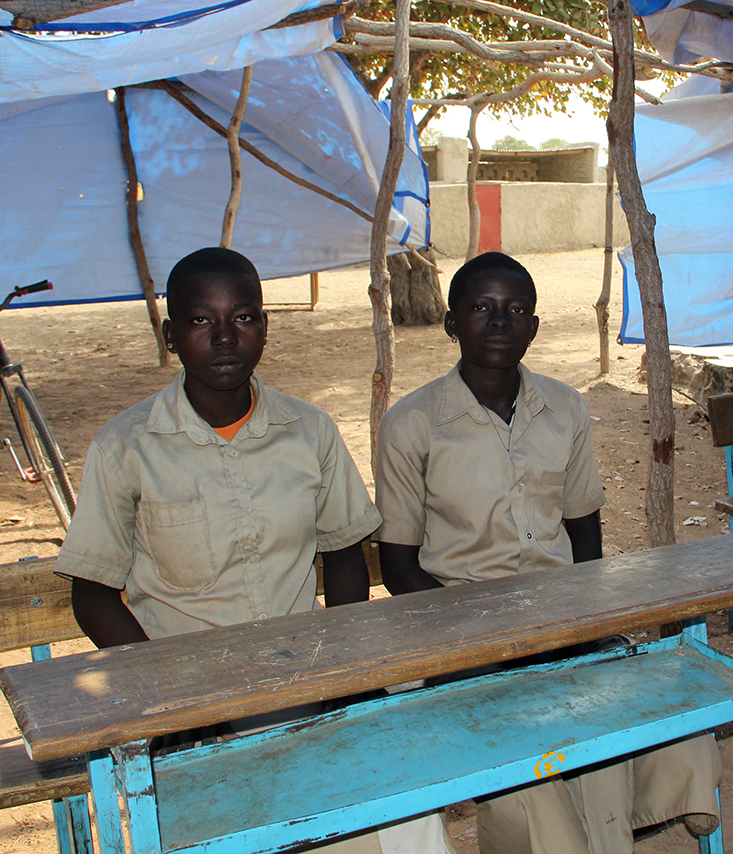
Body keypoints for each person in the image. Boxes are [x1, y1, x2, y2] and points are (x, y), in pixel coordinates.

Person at [54, 246, 456, 854]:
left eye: (242, 318)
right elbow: (93, 592)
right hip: (192, 697)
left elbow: (344, 552)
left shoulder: (309, 432)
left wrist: (340, 669)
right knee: (235, 817)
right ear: (170, 334)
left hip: (304, 676)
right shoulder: (127, 449)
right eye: (199, 321)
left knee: (402, 795)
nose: (223, 338)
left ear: (264, 327)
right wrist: (169, 700)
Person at [374, 251, 721, 854]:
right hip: (461, 626)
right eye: (480, 308)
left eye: (515, 310)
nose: (499, 322)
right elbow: (402, 569)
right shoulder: (412, 424)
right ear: (452, 323)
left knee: (632, 702)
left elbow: (585, 530)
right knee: (528, 740)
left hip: (561, 614)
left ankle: (614, 823)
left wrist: (583, 617)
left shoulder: (565, 408)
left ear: (534, 326)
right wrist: (482, 637)